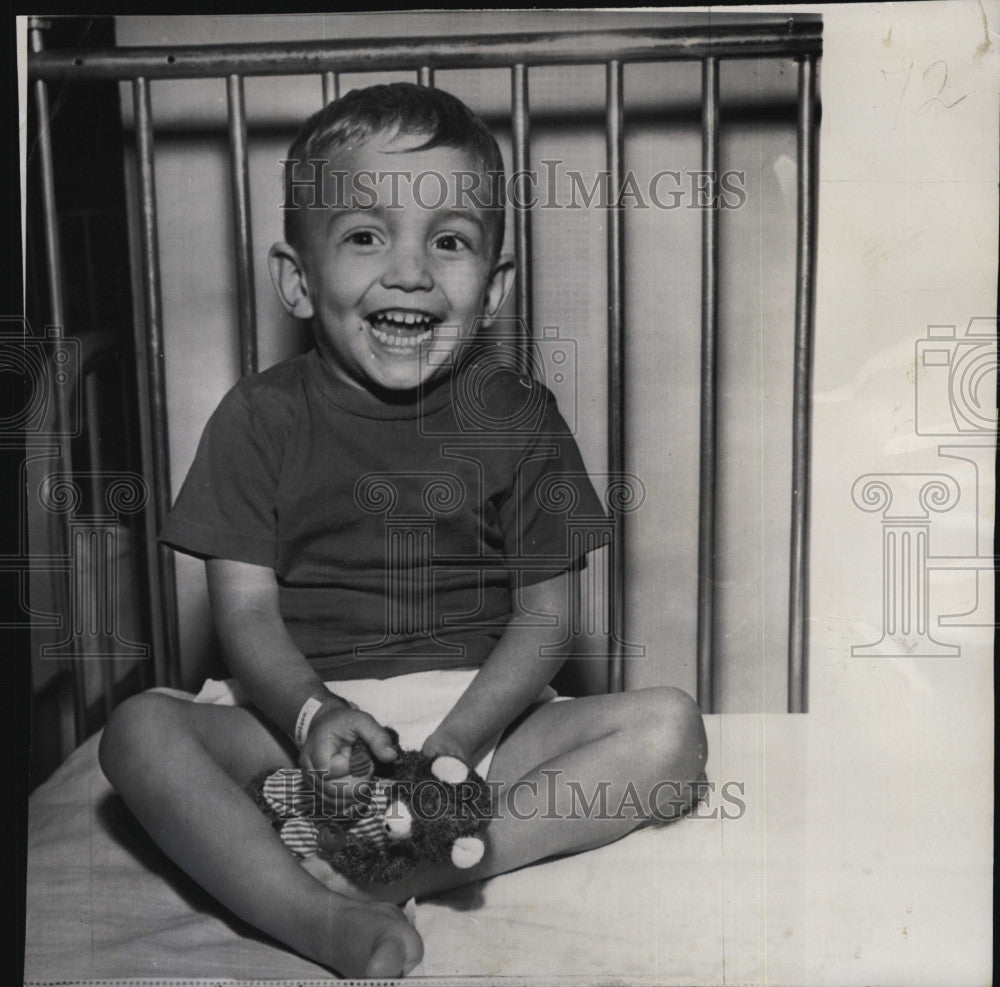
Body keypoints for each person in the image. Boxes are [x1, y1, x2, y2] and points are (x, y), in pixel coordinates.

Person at [99, 82, 707, 980]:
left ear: (493, 286)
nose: (412, 271)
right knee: (138, 732)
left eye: (450, 241)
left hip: (479, 718)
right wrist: (312, 714)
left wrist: (457, 747)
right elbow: (246, 618)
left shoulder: (520, 415)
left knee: (672, 734)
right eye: (364, 235)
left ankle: (422, 864)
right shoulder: (255, 418)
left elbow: (547, 619)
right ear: (297, 281)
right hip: (297, 728)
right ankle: (316, 917)